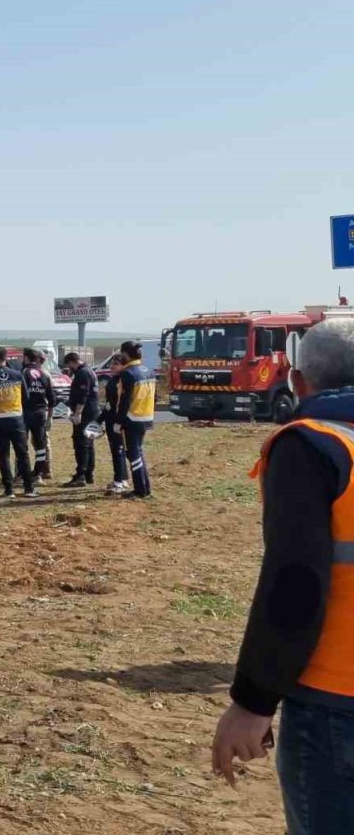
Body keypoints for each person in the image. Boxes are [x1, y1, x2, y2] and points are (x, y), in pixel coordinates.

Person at [212, 319, 354, 830]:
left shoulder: (313, 446)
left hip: (336, 703)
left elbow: (296, 584)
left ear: (297, 382)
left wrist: (252, 701)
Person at [0, 347, 36, 499]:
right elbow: (26, 397)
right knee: (23, 454)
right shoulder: (17, 375)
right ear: (6, 358)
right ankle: (29, 488)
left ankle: (9, 490)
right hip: (16, 419)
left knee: (3, 456)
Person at [114, 340, 156, 499]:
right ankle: (145, 487)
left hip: (132, 417)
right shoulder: (149, 371)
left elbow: (125, 400)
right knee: (138, 453)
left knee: (133, 454)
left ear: (125, 354)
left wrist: (118, 421)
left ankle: (140, 490)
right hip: (146, 416)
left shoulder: (128, 373)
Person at [62, 352, 100, 487]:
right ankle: (89, 473)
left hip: (85, 413)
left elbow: (83, 395)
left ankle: (81, 475)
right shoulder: (90, 371)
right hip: (92, 411)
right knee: (89, 443)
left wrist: (77, 413)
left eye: (68, 365)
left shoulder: (82, 373)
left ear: (72, 362)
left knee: (81, 444)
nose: (69, 368)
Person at [22, 347, 57, 483]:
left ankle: (22, 474)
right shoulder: (44, 374)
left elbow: (22, 395)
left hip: (25, 413)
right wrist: (50, 417)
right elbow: (52, 399)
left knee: (22, 445)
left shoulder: (24, 373)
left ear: (26, 358)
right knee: (40, 444)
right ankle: (38, 474)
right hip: (41, 413)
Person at [99, 353, 131, 496]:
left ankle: (120, 481)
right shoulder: (114, 379)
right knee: (116, 450)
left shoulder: (123, 380)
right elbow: (109, 403)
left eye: (116, 363)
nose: (113, 365)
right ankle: (122, 478)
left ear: (124, 365)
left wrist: (119, 421)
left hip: (118, 420)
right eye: (112, 363)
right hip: (110, 418)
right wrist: (99, 420)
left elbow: (123, 403)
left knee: (118, 450)